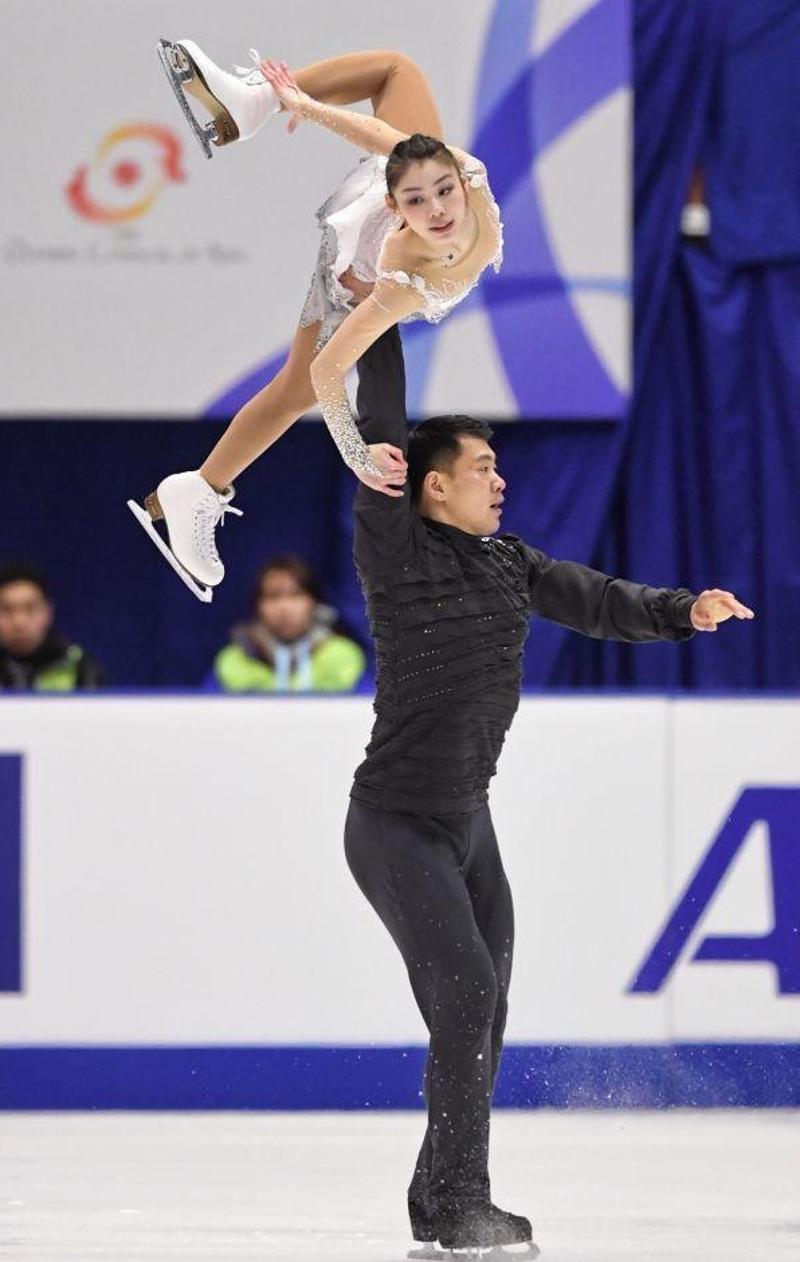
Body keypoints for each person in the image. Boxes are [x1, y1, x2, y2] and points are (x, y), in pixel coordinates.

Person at [338, 328, 755, 1255]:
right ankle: (460, 1202)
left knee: (484, 1005)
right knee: (467, 995)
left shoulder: (509, 562)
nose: (499, 480)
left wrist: (681, 609)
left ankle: (435, 1196)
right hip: (395, 823)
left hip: (465, 822)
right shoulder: (396, 547)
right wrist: (386, 315)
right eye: (481, 467)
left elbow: (595, 598)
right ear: (431, 483)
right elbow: (381, 423)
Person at [129, 43, 502, 600]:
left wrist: (297, 101)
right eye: (420, 202)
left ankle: (253, 100)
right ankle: (201, 490)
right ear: (398, 208)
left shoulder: (466, 173)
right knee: (299, 386)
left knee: (399, 69)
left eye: (445, 191)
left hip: (402, 172)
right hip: (356, 261)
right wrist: (358, 458)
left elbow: (388, 143)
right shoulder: (398, 279)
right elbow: (332, 371)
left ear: (461, 177)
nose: (441, 212)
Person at [210, 554, 365, 693]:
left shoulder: (344, 656)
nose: (284, 608)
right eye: (273, 596)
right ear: (257, 606)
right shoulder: (232, 661)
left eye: (295, 595)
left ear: (314, 602)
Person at [0, 563, 103, 692]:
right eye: (6, 610)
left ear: (47, 612)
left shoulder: (80, 668)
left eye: (30, 609)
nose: (19, 622)